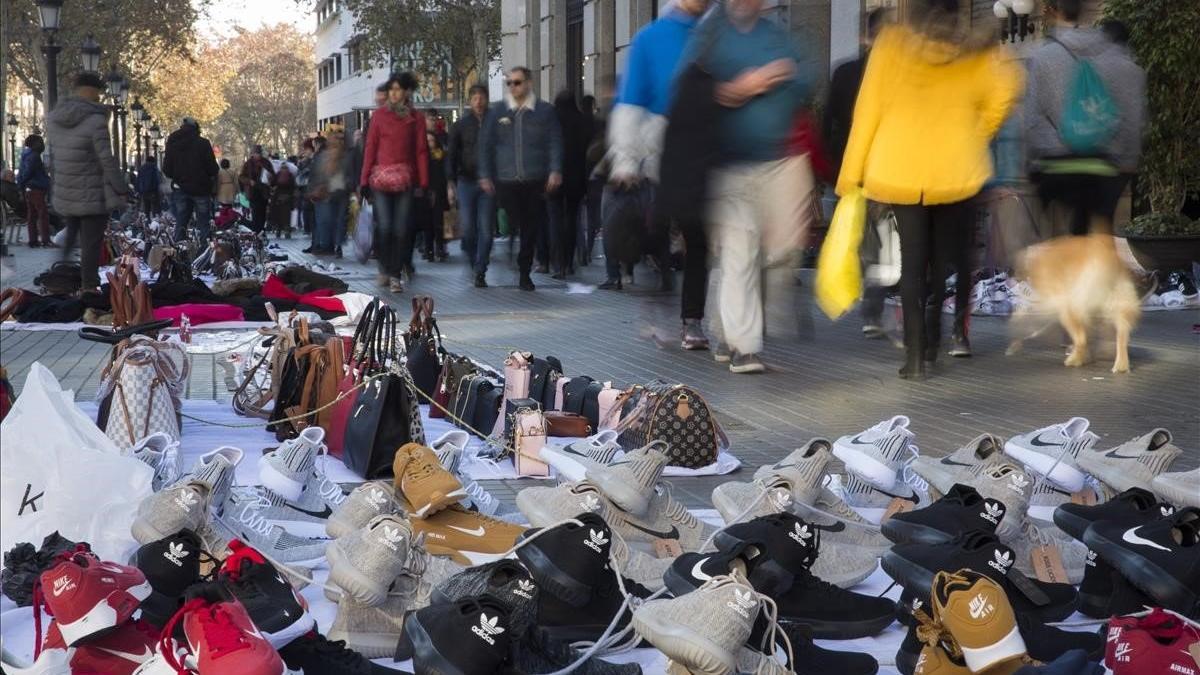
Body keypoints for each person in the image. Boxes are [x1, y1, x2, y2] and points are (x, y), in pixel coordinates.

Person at [837, 0, 1021, 380]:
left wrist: (851, 175)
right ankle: (936, 344)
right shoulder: (972, 51)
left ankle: (916, 356)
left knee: (912, 265)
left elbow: (867, 111)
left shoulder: (890, 46)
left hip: (901, 168)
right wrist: (977, 131)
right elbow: (1007, 87)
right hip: (957, 169)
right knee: (941, 266)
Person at [603, 0, 712, 349]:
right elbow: (630, 102)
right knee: (657, 234)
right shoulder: (651, 38)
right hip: (660, 157)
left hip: (707, 152)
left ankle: (691, 319)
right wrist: (625, 161)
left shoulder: (716, 32)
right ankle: (662, 302)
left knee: (699, 238)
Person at [1025, 0, 1145, 236]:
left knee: (1056, 238)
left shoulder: (1043, 56)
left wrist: (1031, 162)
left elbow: (1032, 118)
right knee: (1095, 232)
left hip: (1056, 164)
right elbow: (1122, 113)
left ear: (1054, 11)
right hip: (1101, 162)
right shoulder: (1108, 54)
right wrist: (1125, 159)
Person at [823, 8, 889, 337]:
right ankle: (871, 311)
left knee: (853, 237)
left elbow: (830, 123)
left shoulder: (846, 71)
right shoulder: (896, 73)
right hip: (885, 169)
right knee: (880, 241)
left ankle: (854, 296)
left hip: (852, 170)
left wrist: (829, 168)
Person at [478, 66, 563, 292]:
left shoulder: (544, 111)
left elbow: (555, 142)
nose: (513, 87)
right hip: (506, 179)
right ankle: (512, 242)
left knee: (530, 226)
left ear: (528, 83)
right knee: (515, 219)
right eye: (509, 83)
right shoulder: (498, 112)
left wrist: (555, 170)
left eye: (517, 82)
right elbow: (486, 145)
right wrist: (485, 174)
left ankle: (524, 271)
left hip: (534, 178)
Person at [45, 71, 128, 292]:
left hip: (66, 190)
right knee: (91, 242)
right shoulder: (95, 120)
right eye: (98, 92)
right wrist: (121, 187)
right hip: (92, 192)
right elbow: (106, 160)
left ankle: (60, 281)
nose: (100, 97)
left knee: (70, 236)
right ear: (92, 91)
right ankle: (89, 287)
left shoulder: (55, 118)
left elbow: (54, 157)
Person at [361, 72, 429, 293]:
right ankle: (385, 267)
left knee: (401, 229)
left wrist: (424, 182)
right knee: (386, 227)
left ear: (407, 91)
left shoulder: (416, 118)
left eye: (399, 89)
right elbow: (370, 148)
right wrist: (363, 180)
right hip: (380, 180)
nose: (394, 93)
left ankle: (395, 274)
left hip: (406, 180)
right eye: (392, 89)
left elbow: (421, 150)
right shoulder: (379, 116)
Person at [448, 84, 494, 287]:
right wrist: (450, 183)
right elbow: (451, 155)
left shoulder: (495, 122)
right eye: (474, 97)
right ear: (469, 101)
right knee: (468, 229)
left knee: (486, 228)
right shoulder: (461, 125)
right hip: (466, 181)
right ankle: (473, 259)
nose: (478, 101)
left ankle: (480, 268)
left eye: (481, 97)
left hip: (489, 184)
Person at [546, 91, 587, 280]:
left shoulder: (552, 122)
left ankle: (557, 264)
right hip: (577, 180)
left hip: (554, 178)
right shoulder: (581, 121)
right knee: (571, 220)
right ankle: (569, 262)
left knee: (555, 221)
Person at [161, 117, 218, 241]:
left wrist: (177, 177)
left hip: (181, 187)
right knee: (203, 223)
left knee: (181, 221)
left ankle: (178, 249)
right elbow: (213, 168)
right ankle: (204, 251)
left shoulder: (173, 143)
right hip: (201, 189)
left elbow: (166, 169)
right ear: (196, 128)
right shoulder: (203, 143)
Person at [309, 129, 354, 257]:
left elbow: (352, 173)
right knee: (327, 220)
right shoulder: (324, 156)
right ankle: (328, 245)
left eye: (341, 139)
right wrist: (313, 190)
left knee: (340, 221)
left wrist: (351, 186)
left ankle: (337, 246)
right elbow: (315, 175)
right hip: (326, 193)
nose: (339, 141)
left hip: (341, 192)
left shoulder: (347, 156)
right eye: (336, 138)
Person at [416, 130, 449, 262]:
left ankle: (440, 247)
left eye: (432, 140)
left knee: (439, 222)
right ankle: (429, 249)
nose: (430, 143)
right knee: (427, 223)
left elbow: (444, 174)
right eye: (427, 140)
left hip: (439, 192)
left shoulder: (440, 155)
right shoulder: (421, 156)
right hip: (425, 193)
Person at [17, 134, 52, 247]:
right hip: (36, 188)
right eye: (40, 142)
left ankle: (33, 241)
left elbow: (23, 173)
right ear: (34, 144)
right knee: (43, 214)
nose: (42, 145)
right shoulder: (34, 156)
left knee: (32, 215)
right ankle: (45, 240)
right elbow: (28, 172)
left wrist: (22, 186)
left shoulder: (26, 155)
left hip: (29, 188)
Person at [239, 145, 275, 232]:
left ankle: (260, 230)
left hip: (264, 191)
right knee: (255, 213)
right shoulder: (248, 163)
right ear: (252, 154)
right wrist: (249, 181)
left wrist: (270, 177)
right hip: (253, 192)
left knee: (262, 213)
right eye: (255, 153)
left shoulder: (266, 162)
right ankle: (256, 231)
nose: (257, 155)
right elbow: (241, 177)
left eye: (259, 153)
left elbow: (273, 176)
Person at [269, 158, 297, 238]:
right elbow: (293, 187)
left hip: (278, 197)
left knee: (279, 216)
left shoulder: (277, 174)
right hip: (287, 198)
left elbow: (272, 184)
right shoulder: (290, 175)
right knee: (286, 217)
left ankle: (279, 230)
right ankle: (286, 231)